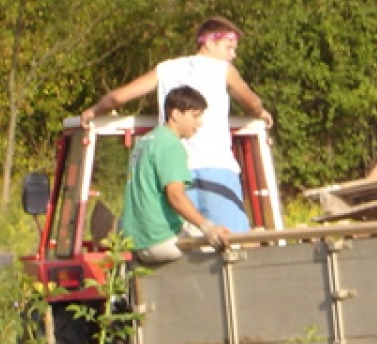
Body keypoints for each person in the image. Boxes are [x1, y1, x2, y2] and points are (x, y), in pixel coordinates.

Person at [81, 16, 271, 232]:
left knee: (181, 242)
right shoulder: (223, 70)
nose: (233, 55)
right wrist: (260, 113)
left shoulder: (166, 69)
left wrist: (94, 111)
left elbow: (117, 97)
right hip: (216, 167)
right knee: (232, 239)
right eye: (229, 47)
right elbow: (252, 102)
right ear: (209, 43)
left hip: (174, 172)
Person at [118, 84, 231, 264]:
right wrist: (208, 228)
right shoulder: (170, 145)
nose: (200, 122)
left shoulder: (144, 142)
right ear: (176, 114)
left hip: (135, 243)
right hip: (161, 239)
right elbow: (175, 196)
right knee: (225, 245)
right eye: (195, 116)